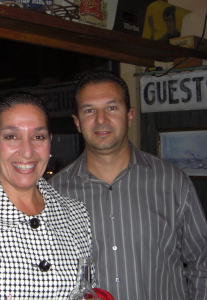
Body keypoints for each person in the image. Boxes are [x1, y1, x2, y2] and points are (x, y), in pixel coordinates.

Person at [48, 70, 207, 300]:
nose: (101, 119)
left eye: (112, 108)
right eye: (89, 110)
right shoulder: (54, 193)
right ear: (77, 122)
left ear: (130, 115)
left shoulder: (172, 182)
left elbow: (202, 262)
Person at [0, 93, 94, 299]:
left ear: (50, 142)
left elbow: (87, 289)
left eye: (38, 137)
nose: (27, 151)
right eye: (11, 136)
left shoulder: (76, 215)